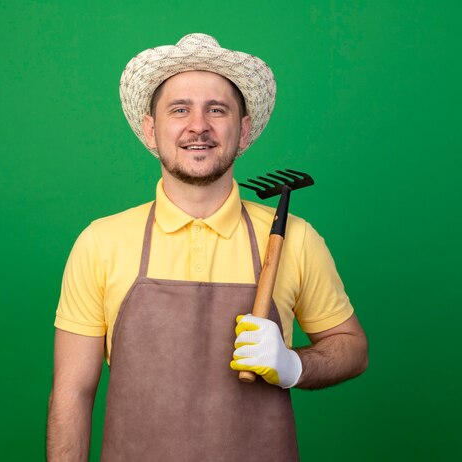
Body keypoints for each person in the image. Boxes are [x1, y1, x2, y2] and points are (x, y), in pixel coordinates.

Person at [46, 33, 368, 462]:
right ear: (151, 128)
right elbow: (72, 392)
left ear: (244, 127)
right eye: (179, 110)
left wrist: (293, 365)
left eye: (217, 110)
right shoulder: (102, 242)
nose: (199, 125)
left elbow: (352, 348)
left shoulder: (295, 238)